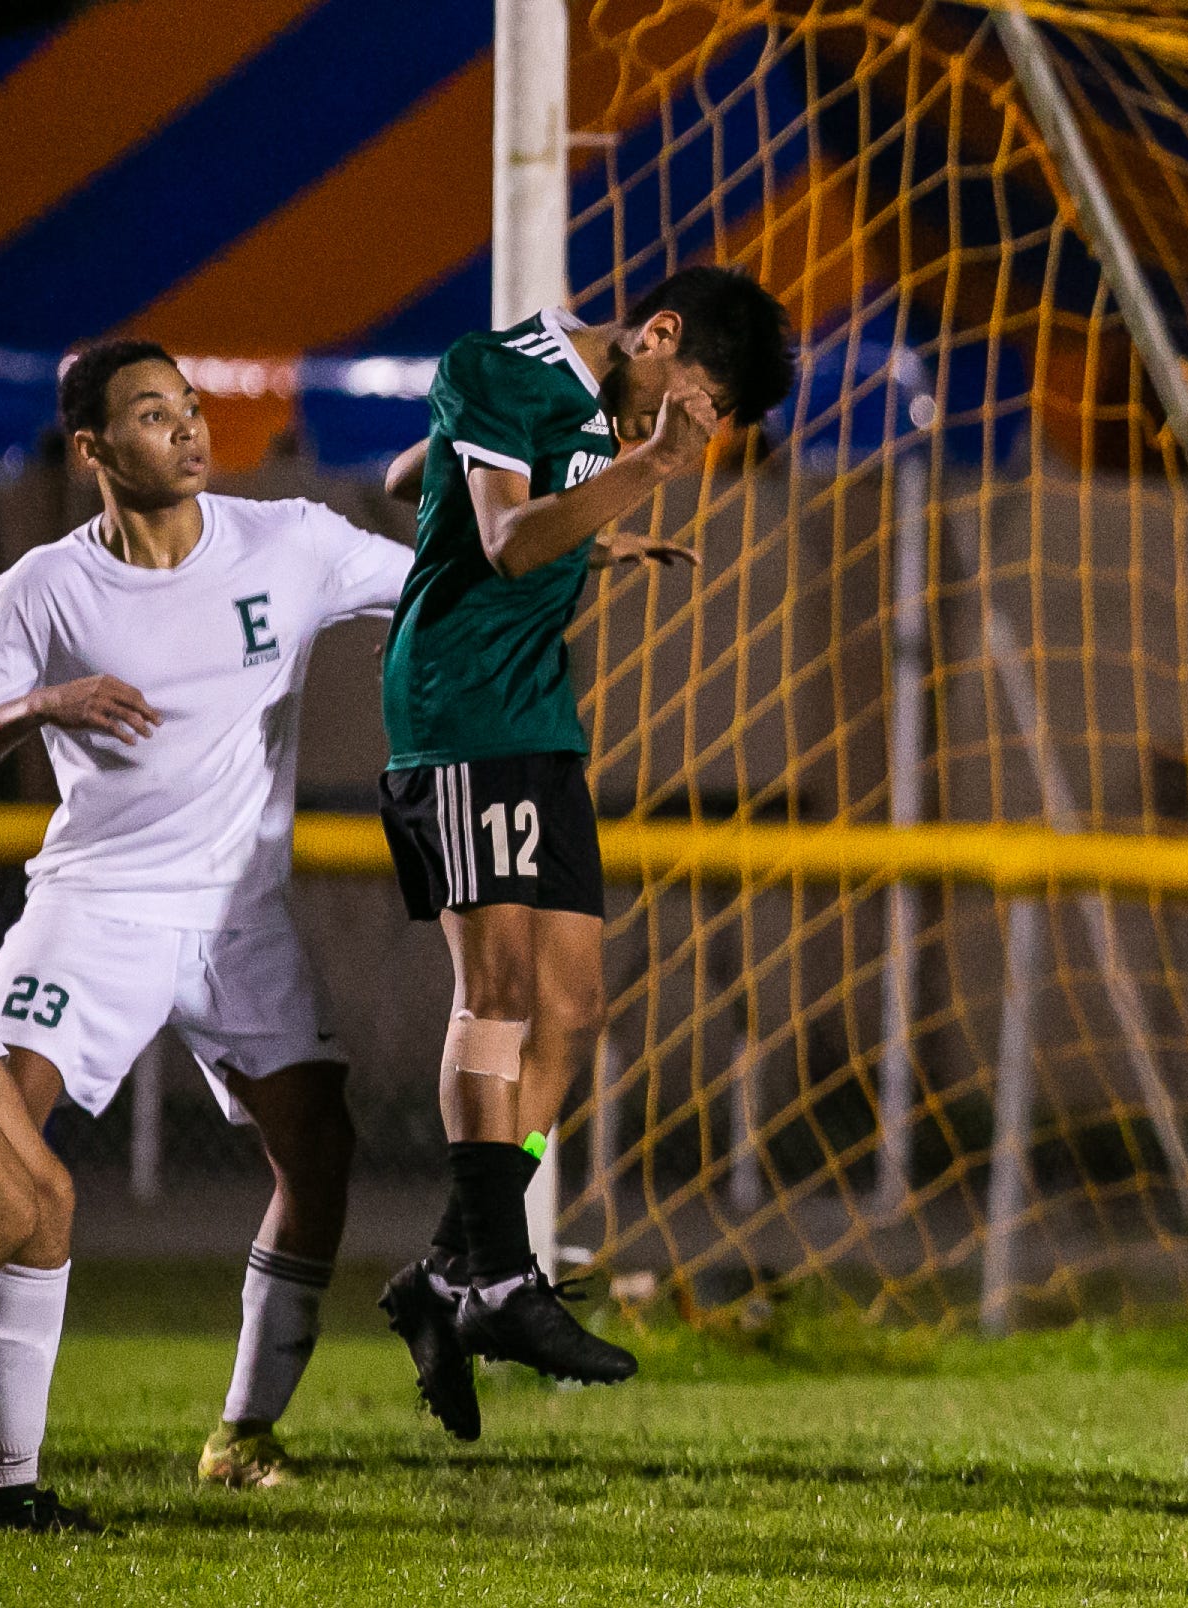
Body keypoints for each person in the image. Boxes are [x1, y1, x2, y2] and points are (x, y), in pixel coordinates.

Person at [0, 340, 416, 1524]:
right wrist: (46, 702)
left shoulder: (289, 542)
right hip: (96, 907)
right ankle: (9, 1478)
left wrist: (556, 546)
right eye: (151, 414)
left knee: (317, 1148)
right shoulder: (44, 588)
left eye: (188, 406)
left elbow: (446, 576)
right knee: (13, 1170)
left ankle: (243, 1431)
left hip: (238, 920)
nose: (187, 428)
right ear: (91, 450)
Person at [374, 267, 792, 1440]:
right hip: (459, 711)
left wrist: (596, 542)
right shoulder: (500, 366)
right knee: (497, 994)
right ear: (658, 333)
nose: (688, 430)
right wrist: (642, 471)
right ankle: (500, 1278)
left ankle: (448, 1272)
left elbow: (415, 477)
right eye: (695, 401)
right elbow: (506, 542)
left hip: (539, 717)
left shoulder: (597, 412)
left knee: (574, 1008)